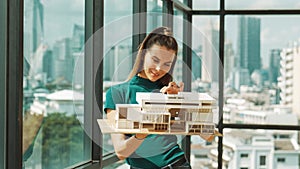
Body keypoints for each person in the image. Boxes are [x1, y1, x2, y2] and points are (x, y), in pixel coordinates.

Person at [104, 26, 191, 169]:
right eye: (155, 59)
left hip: (177, 164)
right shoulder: (116, 93)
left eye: (166, 64)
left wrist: (175, 102)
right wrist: (144, 130)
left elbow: (180, 129)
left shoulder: (167, 92)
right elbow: (121, 151)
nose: (158, 69)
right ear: (143, 54)